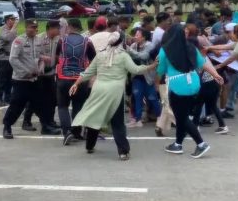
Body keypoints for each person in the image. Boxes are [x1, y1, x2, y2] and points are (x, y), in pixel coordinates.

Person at [69, 32, 157, 160]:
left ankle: (89, 146)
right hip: (115, 91)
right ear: (121, 42)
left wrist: (76, 83)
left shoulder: (100, 55)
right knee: (117, 122)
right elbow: (136, 70)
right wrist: (152, 66)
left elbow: (87, 73)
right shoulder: (123, 56)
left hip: (98, 89)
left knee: (95, 116)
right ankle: (123, 151)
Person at [158, 24, 223, 158]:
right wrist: (215, 74)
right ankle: (178, 144)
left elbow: (161, 70)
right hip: (194, 82)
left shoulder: (165, 50)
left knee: (181, 117)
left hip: (177, 85)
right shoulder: (191, 47)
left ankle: (201, 144)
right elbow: (202, 63)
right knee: (183, 115)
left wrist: (158, 83)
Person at [2, 19, 59, 139]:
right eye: (32, 27)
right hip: (21, 80)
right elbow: (13, 59)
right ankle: (7, 126)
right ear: (26, 28)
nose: (35, 30)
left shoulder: (38, 40)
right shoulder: (19, 41)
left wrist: (41, 67)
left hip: (35, 79)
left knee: (41, 104)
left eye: (36, 28)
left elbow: (39, 57)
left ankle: (45, 126)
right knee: (16, 104)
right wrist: (25, 72)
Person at [57, 19, 96, 145]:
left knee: (63, 106)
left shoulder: (62, 40)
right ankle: (77, 132)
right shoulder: (87, 41)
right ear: (80, 28)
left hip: (64, 77)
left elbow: (56, 58)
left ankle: (67, 132)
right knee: (78, 105)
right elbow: (94, 60)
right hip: (80, 79)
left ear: (69, 27)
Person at [190, 38, 229, 134]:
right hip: (213, 83)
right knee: (211, 105)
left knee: (199, 104)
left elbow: (199, 72)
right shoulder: (204, 56)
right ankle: (222, 125)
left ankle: (195, 125)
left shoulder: (197, 57)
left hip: (206, 84)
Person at [126, 28, 161, 128]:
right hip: (137, 75)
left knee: (152, 97)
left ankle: (159, 117)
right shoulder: (134, 45)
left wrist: (130, 50)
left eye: (137, 35)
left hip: (148, 75)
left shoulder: (149, 45)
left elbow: (144, 56)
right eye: (135, 35)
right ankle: (137, 119)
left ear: (144, 37)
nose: (135, 37)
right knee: (137, 96)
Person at [34, 20, 62, 134]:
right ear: (50, 28)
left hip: (51, 73)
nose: (59, 31)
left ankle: (50, 121)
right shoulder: (39, 39)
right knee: (43, 101)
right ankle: (44, 125)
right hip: (41, 74)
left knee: (52, 100)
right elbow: (34, 54)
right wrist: (43, 57)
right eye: (57, 28)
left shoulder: (57, 39)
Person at [0, 14, 18, 106]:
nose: (14, 21)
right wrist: (14, 28)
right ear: (8, 20)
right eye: (12, 19)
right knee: (2, 78)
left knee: (10, 79)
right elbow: (7, 38)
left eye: (14, 19)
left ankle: (7, 97)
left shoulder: (13, 30)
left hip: (11, 57)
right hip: (4, 57)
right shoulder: (2, 29)